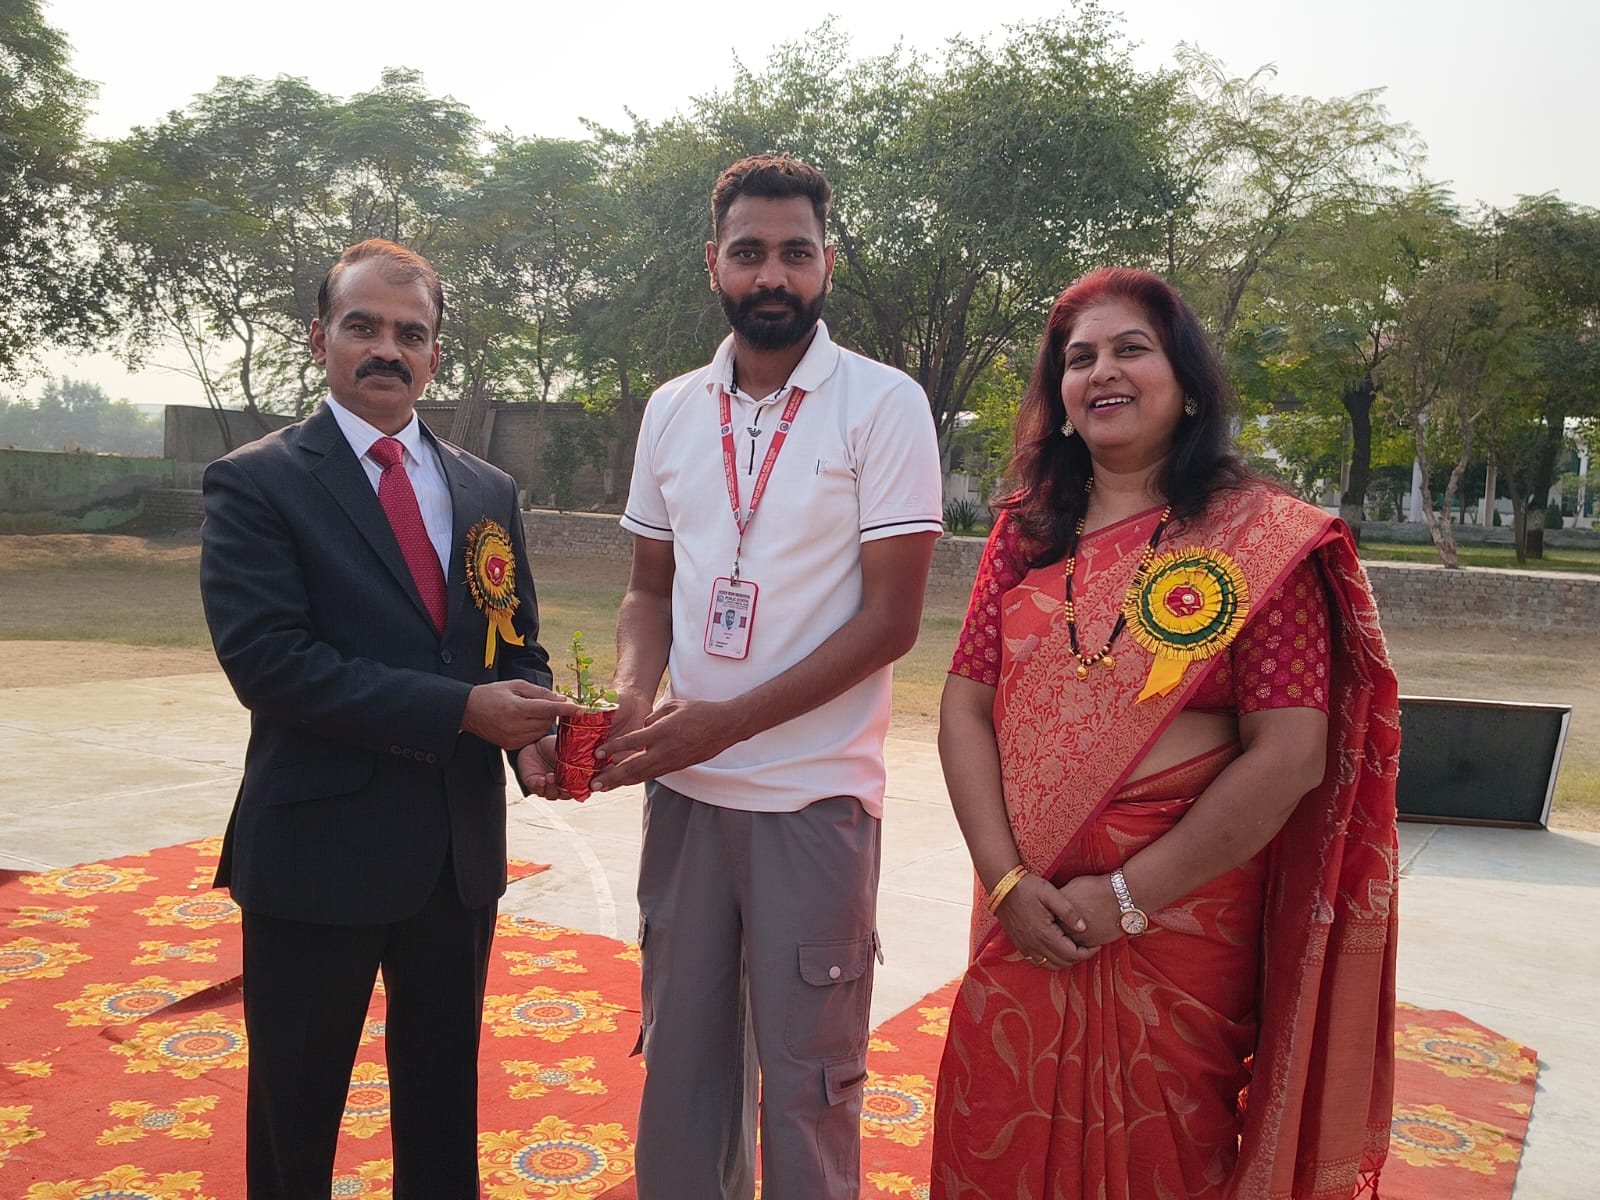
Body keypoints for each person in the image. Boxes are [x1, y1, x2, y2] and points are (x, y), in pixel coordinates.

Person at [928, 268, 1400, 1199]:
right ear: (1061, 397)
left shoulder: (1257, 541)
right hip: (1025, 913)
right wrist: (1007, 880)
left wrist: (1126, 899)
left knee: (1163, 1157)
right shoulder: (1027, 532)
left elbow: (1290, 754)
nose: (1102, 371)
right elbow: (965, 705)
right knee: (996, 1130)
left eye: (1131, 349)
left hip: (1178, 928)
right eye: (1079, 359)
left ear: (1186, 384)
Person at [588, 154, 944, 1199]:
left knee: (808, 1084)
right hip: (685, 794)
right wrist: (633, 695)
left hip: (813, 798)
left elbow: (890, 622)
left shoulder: (882, 404)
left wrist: (725, 722)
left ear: (827, 264)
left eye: (796, 252)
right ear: (715, 263)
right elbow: (648, 589)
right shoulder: (672, 408)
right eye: (750, 253)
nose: (773, 275)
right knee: (681, 1071)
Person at [200, 238, 579, 1199]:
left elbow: (513, 643)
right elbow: (270, 664)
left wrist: (536, 736)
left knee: (444, 1110)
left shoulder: (486, 490)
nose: (387, 350)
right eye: (362, 326)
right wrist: (462, 711)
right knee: (295, 1118)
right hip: (315, 851)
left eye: (411, 334)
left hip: (455, 857)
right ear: (319, 336)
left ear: (435, 355)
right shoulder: (256, 481)